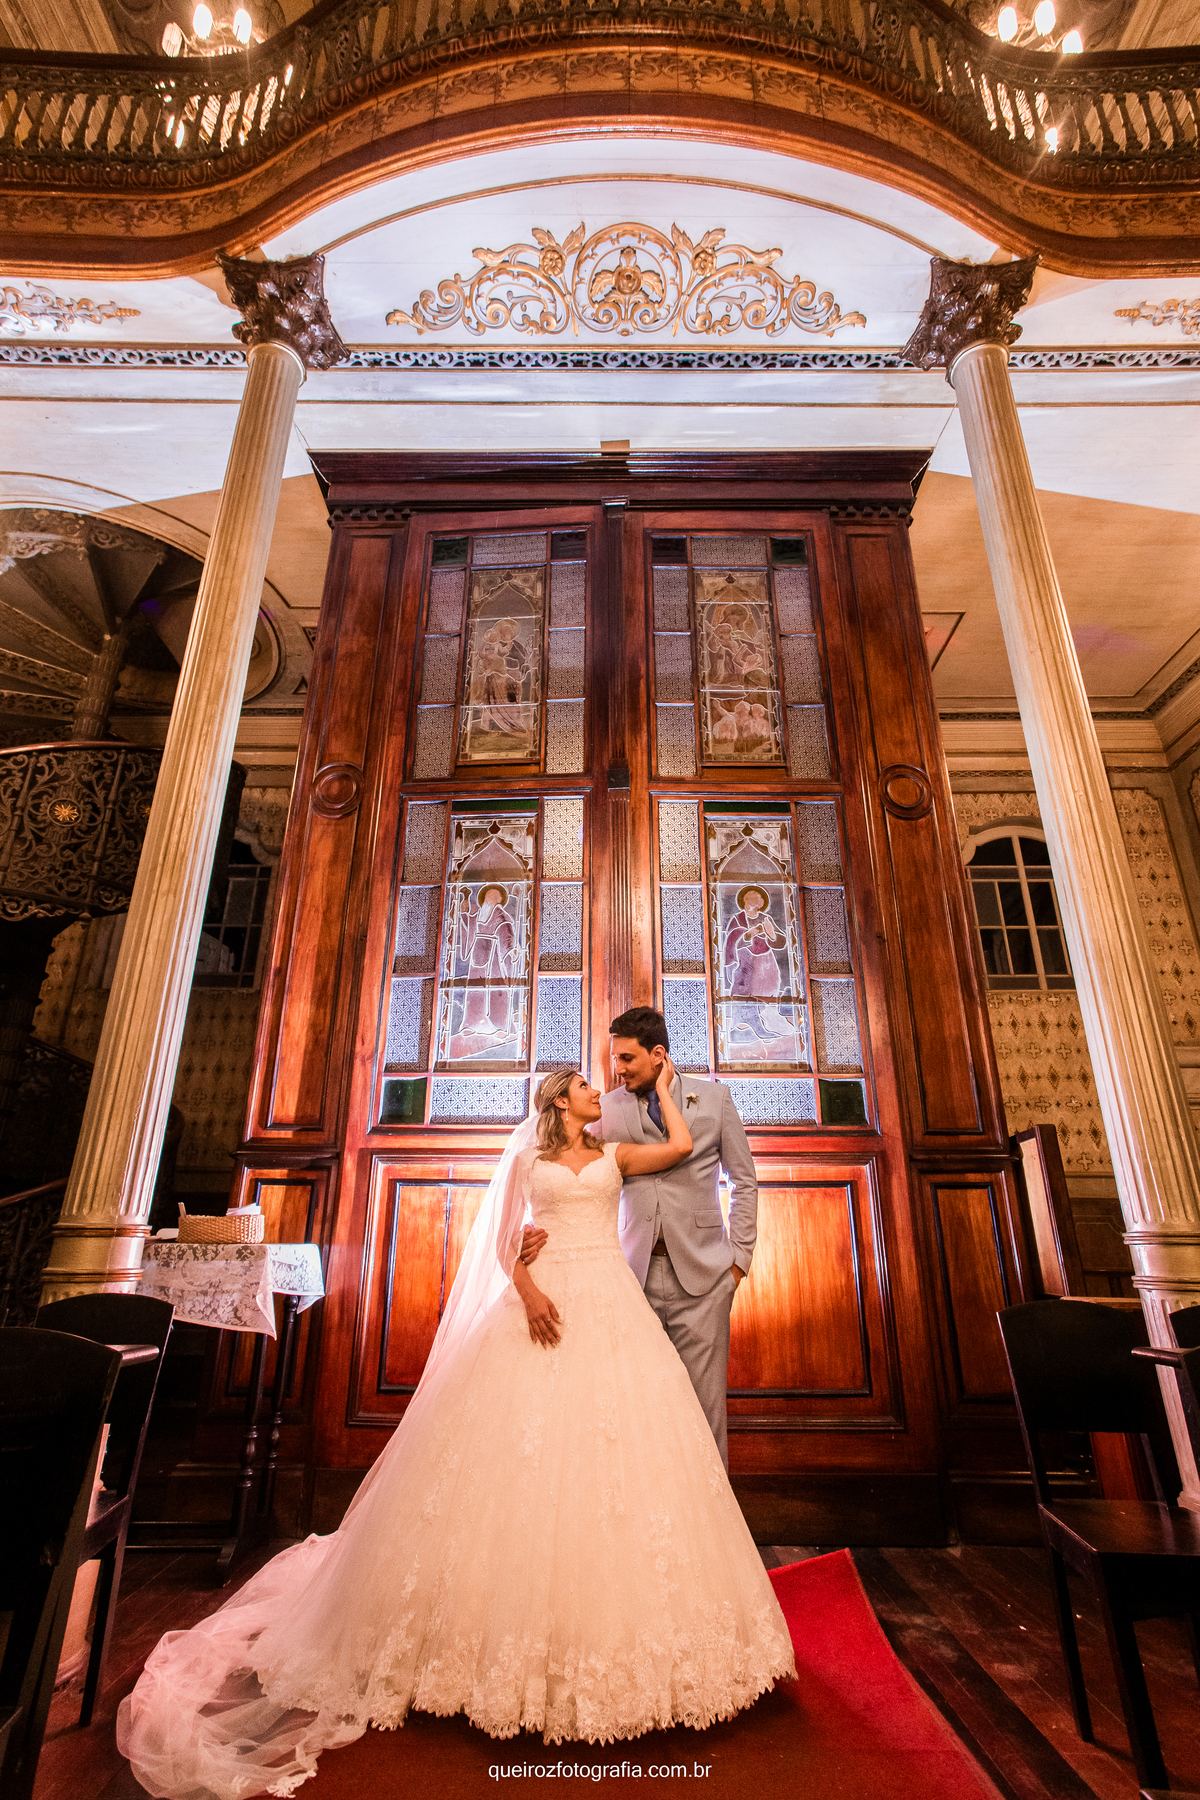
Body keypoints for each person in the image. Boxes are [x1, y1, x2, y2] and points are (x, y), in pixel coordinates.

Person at [117, 1063, 795, 1799]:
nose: (601, 1095)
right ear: (560, 1101)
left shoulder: (616, 1155)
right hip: (545, 1300)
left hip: (611, 1304)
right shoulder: (530, 1160)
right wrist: (529, 1289)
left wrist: (662, 1088)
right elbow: (503, 1242)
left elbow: (683, 1145)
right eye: (588, 1089)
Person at [523, 1008, 757, 1467]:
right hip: (630, 1280)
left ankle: (709, 1532)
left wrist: (738, 1262)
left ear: (658, 1055)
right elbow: (562, 1161)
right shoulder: (603, 1109)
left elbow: (743, 1180)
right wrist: (533, 1224)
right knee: (636, 1408)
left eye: (627, 1058)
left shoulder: (715, 1100)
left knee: (704, 1411)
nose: (618, 1069)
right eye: (615, 1059)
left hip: (706, 1277)